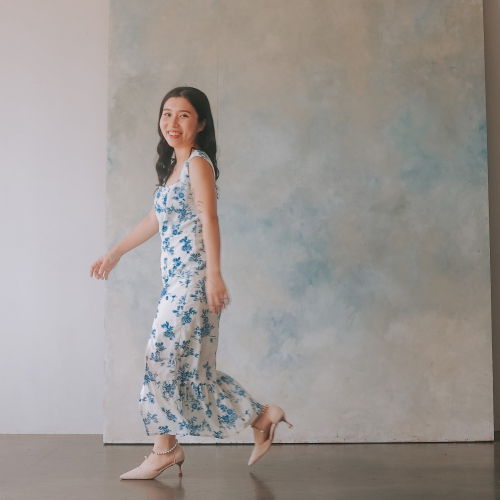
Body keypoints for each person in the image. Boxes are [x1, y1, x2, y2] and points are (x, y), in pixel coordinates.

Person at [90, 86, 292, 480]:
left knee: (160, 358)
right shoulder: (174, 167)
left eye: (183, 115)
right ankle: (260, 417)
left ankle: (165, 450)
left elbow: (209, 219)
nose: (172, 122)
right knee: (185, 367)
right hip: (176, 282)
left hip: (194, 280)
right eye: (167, 113)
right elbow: (154, 219)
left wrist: (214, 276)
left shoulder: (198, 164)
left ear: (200, 123)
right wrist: (115, 253)